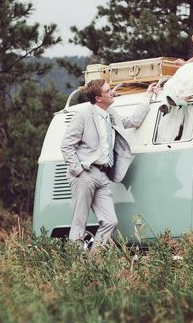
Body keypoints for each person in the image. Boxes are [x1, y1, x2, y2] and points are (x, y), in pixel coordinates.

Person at [61, 79, 155, 251]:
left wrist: (148, 96)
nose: (112, 93)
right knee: (79, 221)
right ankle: (75, 265)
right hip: (85, 173)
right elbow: (66, 145)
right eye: (108, 91)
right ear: (98, 98)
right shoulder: (82, 115)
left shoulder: (112, 114)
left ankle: (93, 261)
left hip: (103, 175)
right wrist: (78, 170)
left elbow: (133, 121)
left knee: (110, 221)